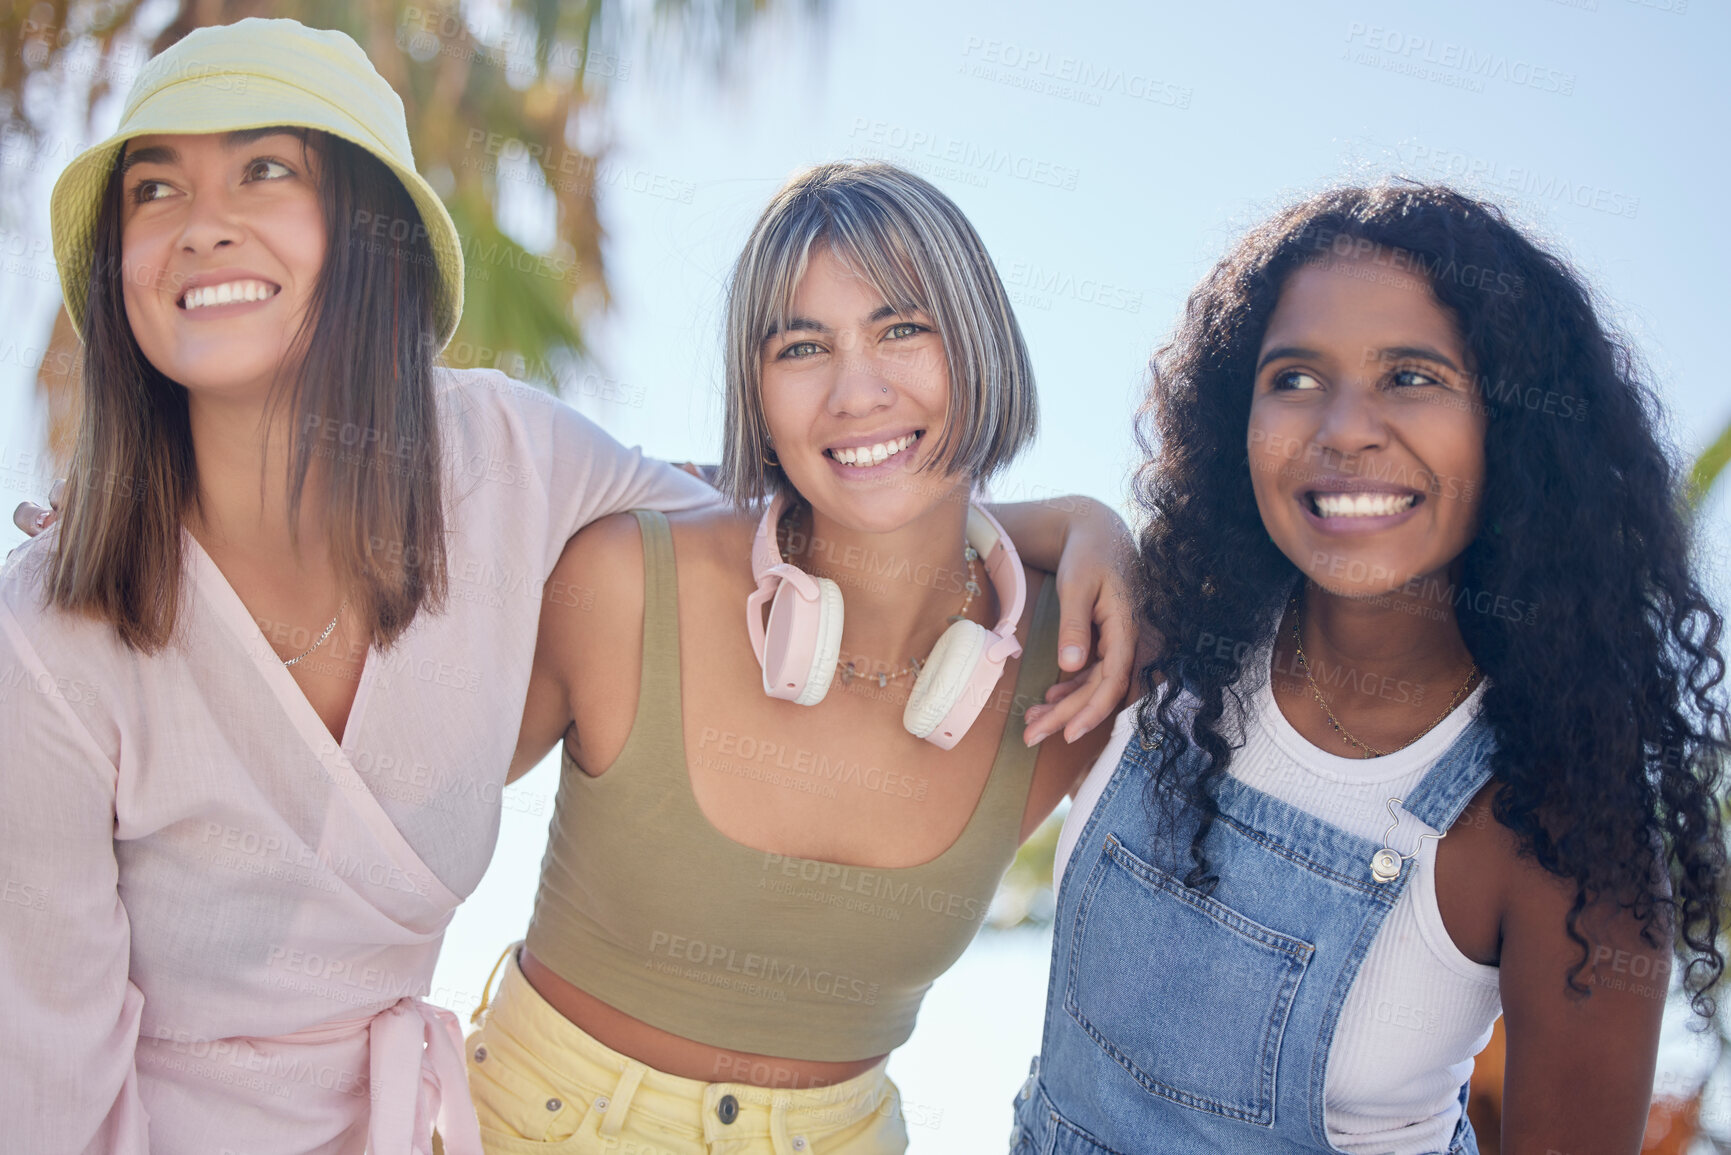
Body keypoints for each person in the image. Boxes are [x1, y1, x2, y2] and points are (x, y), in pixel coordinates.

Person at [0, 24, 1128, 1155]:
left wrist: (1065, 525)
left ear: (368, 236)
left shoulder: (504, 458)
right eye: (156, 188)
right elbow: (49, 1083)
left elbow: (781, 495)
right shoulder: (46, 638)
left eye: (265, 169)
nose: (203, 222)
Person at [1015, 184, 1729, 1154]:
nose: (1344, 427)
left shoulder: (1564, 832)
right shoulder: (1165, 642)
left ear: (1511, 426)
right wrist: (1076, 521)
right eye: (1297, 377)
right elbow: (886, 545)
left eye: (1412, 376)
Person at [460, 162, 1119, 1154]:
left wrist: (1098, 525)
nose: (858, 391)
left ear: (981, 344)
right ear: (756, 393)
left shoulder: (1077, 670)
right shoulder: (625, 586)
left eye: (903, 328)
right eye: (803, 346)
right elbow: (383, 833)